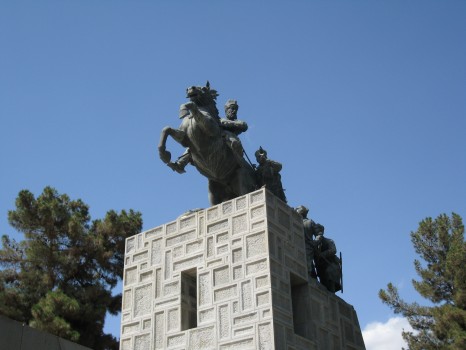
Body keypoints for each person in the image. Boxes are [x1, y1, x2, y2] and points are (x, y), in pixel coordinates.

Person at [313, 225, 342, 293]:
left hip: (331, 263)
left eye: (317, 230)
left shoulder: (329, 241)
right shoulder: (315, 243)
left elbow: (333, 250)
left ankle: (332, 292)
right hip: (321, 266)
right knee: (323, 280)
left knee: (329, 273)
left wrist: (323, 254)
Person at [219, 99, 248, 164]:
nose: (234, 111)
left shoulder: (238, 122)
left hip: (232, 141)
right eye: (232, 108)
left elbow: (244, 126)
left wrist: (227, 123)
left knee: (232, 139)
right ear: (226, 110)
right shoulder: (220, 119)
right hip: (221, 141)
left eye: (236, 110)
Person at [295, 205, 317, 280]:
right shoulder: (294, 220)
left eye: (297, 209)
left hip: (308, 245)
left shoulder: (309, 222)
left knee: (308, 262)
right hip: (297, 245)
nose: (295, 210)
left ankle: (309, 278)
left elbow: (319, 234)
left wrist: (315, 242)